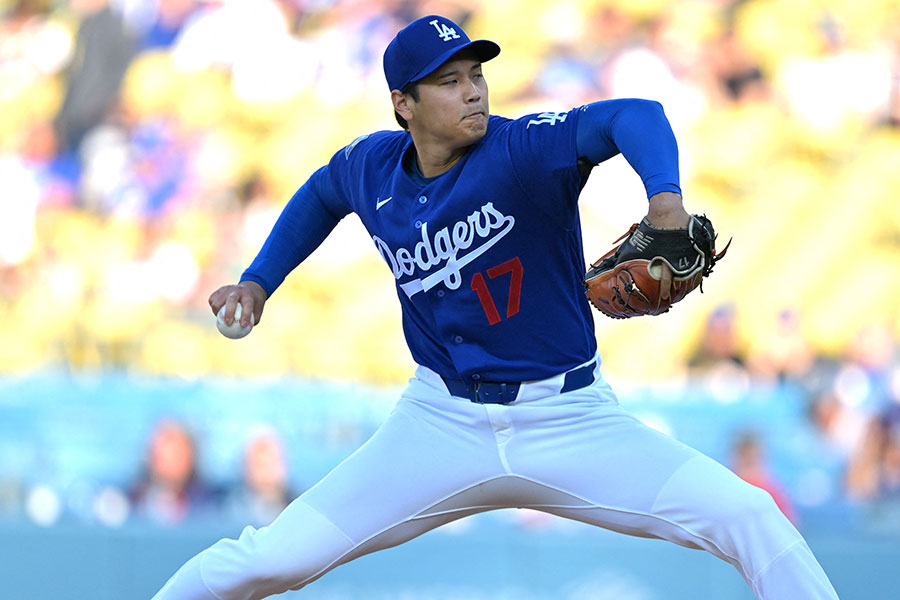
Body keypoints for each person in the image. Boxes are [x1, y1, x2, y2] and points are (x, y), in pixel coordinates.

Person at [152, 15, 838, 600]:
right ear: (404, 104)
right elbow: (325, 191)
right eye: (448, 82)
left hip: (569, 418)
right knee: (269, 560)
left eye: (476, 74)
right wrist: (258, 279)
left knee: (750, 515)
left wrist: (664, 199)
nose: (473, 90)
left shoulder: (522, 149)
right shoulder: (373, 169)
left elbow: (637, 114)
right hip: (438, 422)